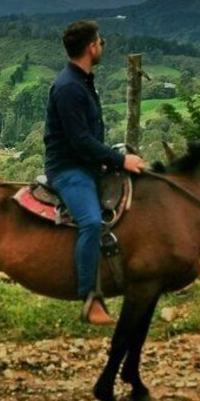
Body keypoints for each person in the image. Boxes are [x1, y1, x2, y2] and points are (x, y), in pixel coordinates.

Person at [43, 20, 145, 325]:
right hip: (68, 168)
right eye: (100, 41)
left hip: (86, 163)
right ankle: (90, 298)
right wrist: (119, 160)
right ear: (91, 47)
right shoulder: (70, 88)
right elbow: (80, 142)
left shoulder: (82, 80)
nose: (102, 45)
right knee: (89, 222)